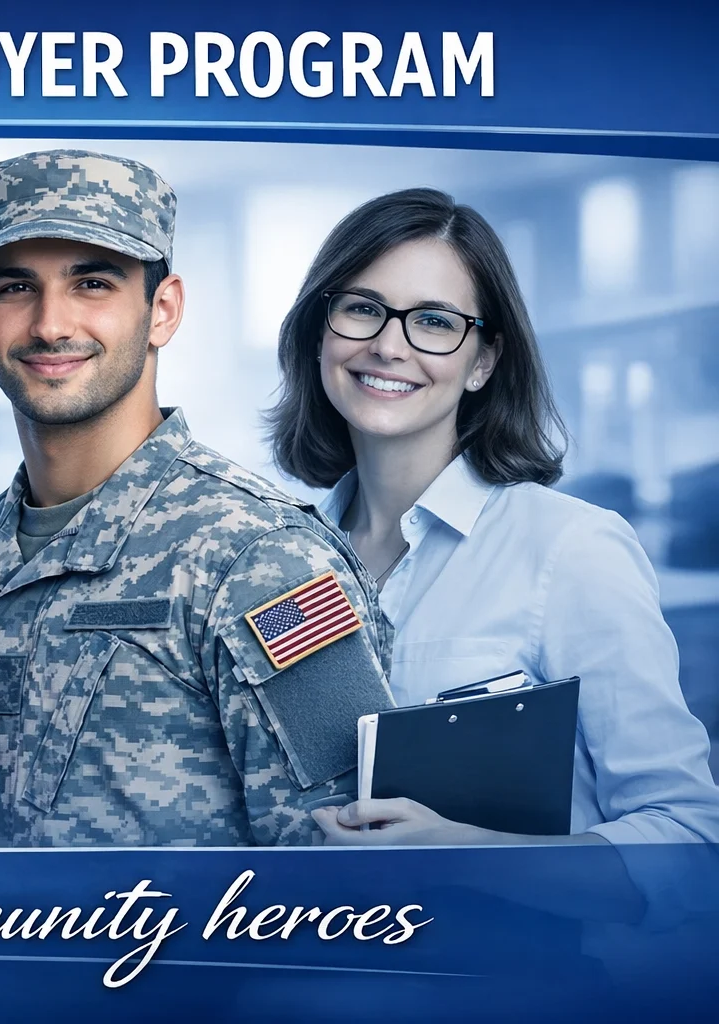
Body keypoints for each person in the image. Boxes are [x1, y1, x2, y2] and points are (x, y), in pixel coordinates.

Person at [0, 149, 395, 847]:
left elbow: (353, 867)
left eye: (92, 284)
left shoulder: (265, 563)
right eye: (15, 288)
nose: (50, 324)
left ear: (163, 310)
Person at [264, 187, 719, 845]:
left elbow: (690, 833)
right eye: (363, 309)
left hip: (510, 946)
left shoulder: (571, 551)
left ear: (482, 362)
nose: (390, 346)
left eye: (435, 322)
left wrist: (470, 849)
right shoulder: (275, 564)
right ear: (318, 334)